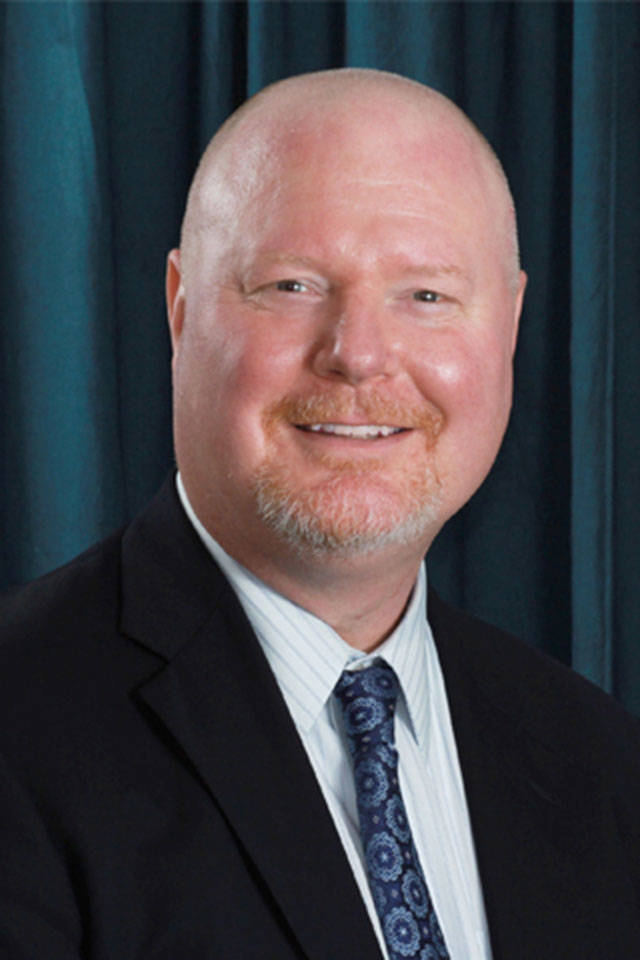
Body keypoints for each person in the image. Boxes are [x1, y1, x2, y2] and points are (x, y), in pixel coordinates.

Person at [0, 68, 638, 960]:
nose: (359, 355)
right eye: (293, 285)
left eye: (426, 295)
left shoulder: (599, 762)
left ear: (510, 325)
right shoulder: (20, 727)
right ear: (180, 310)